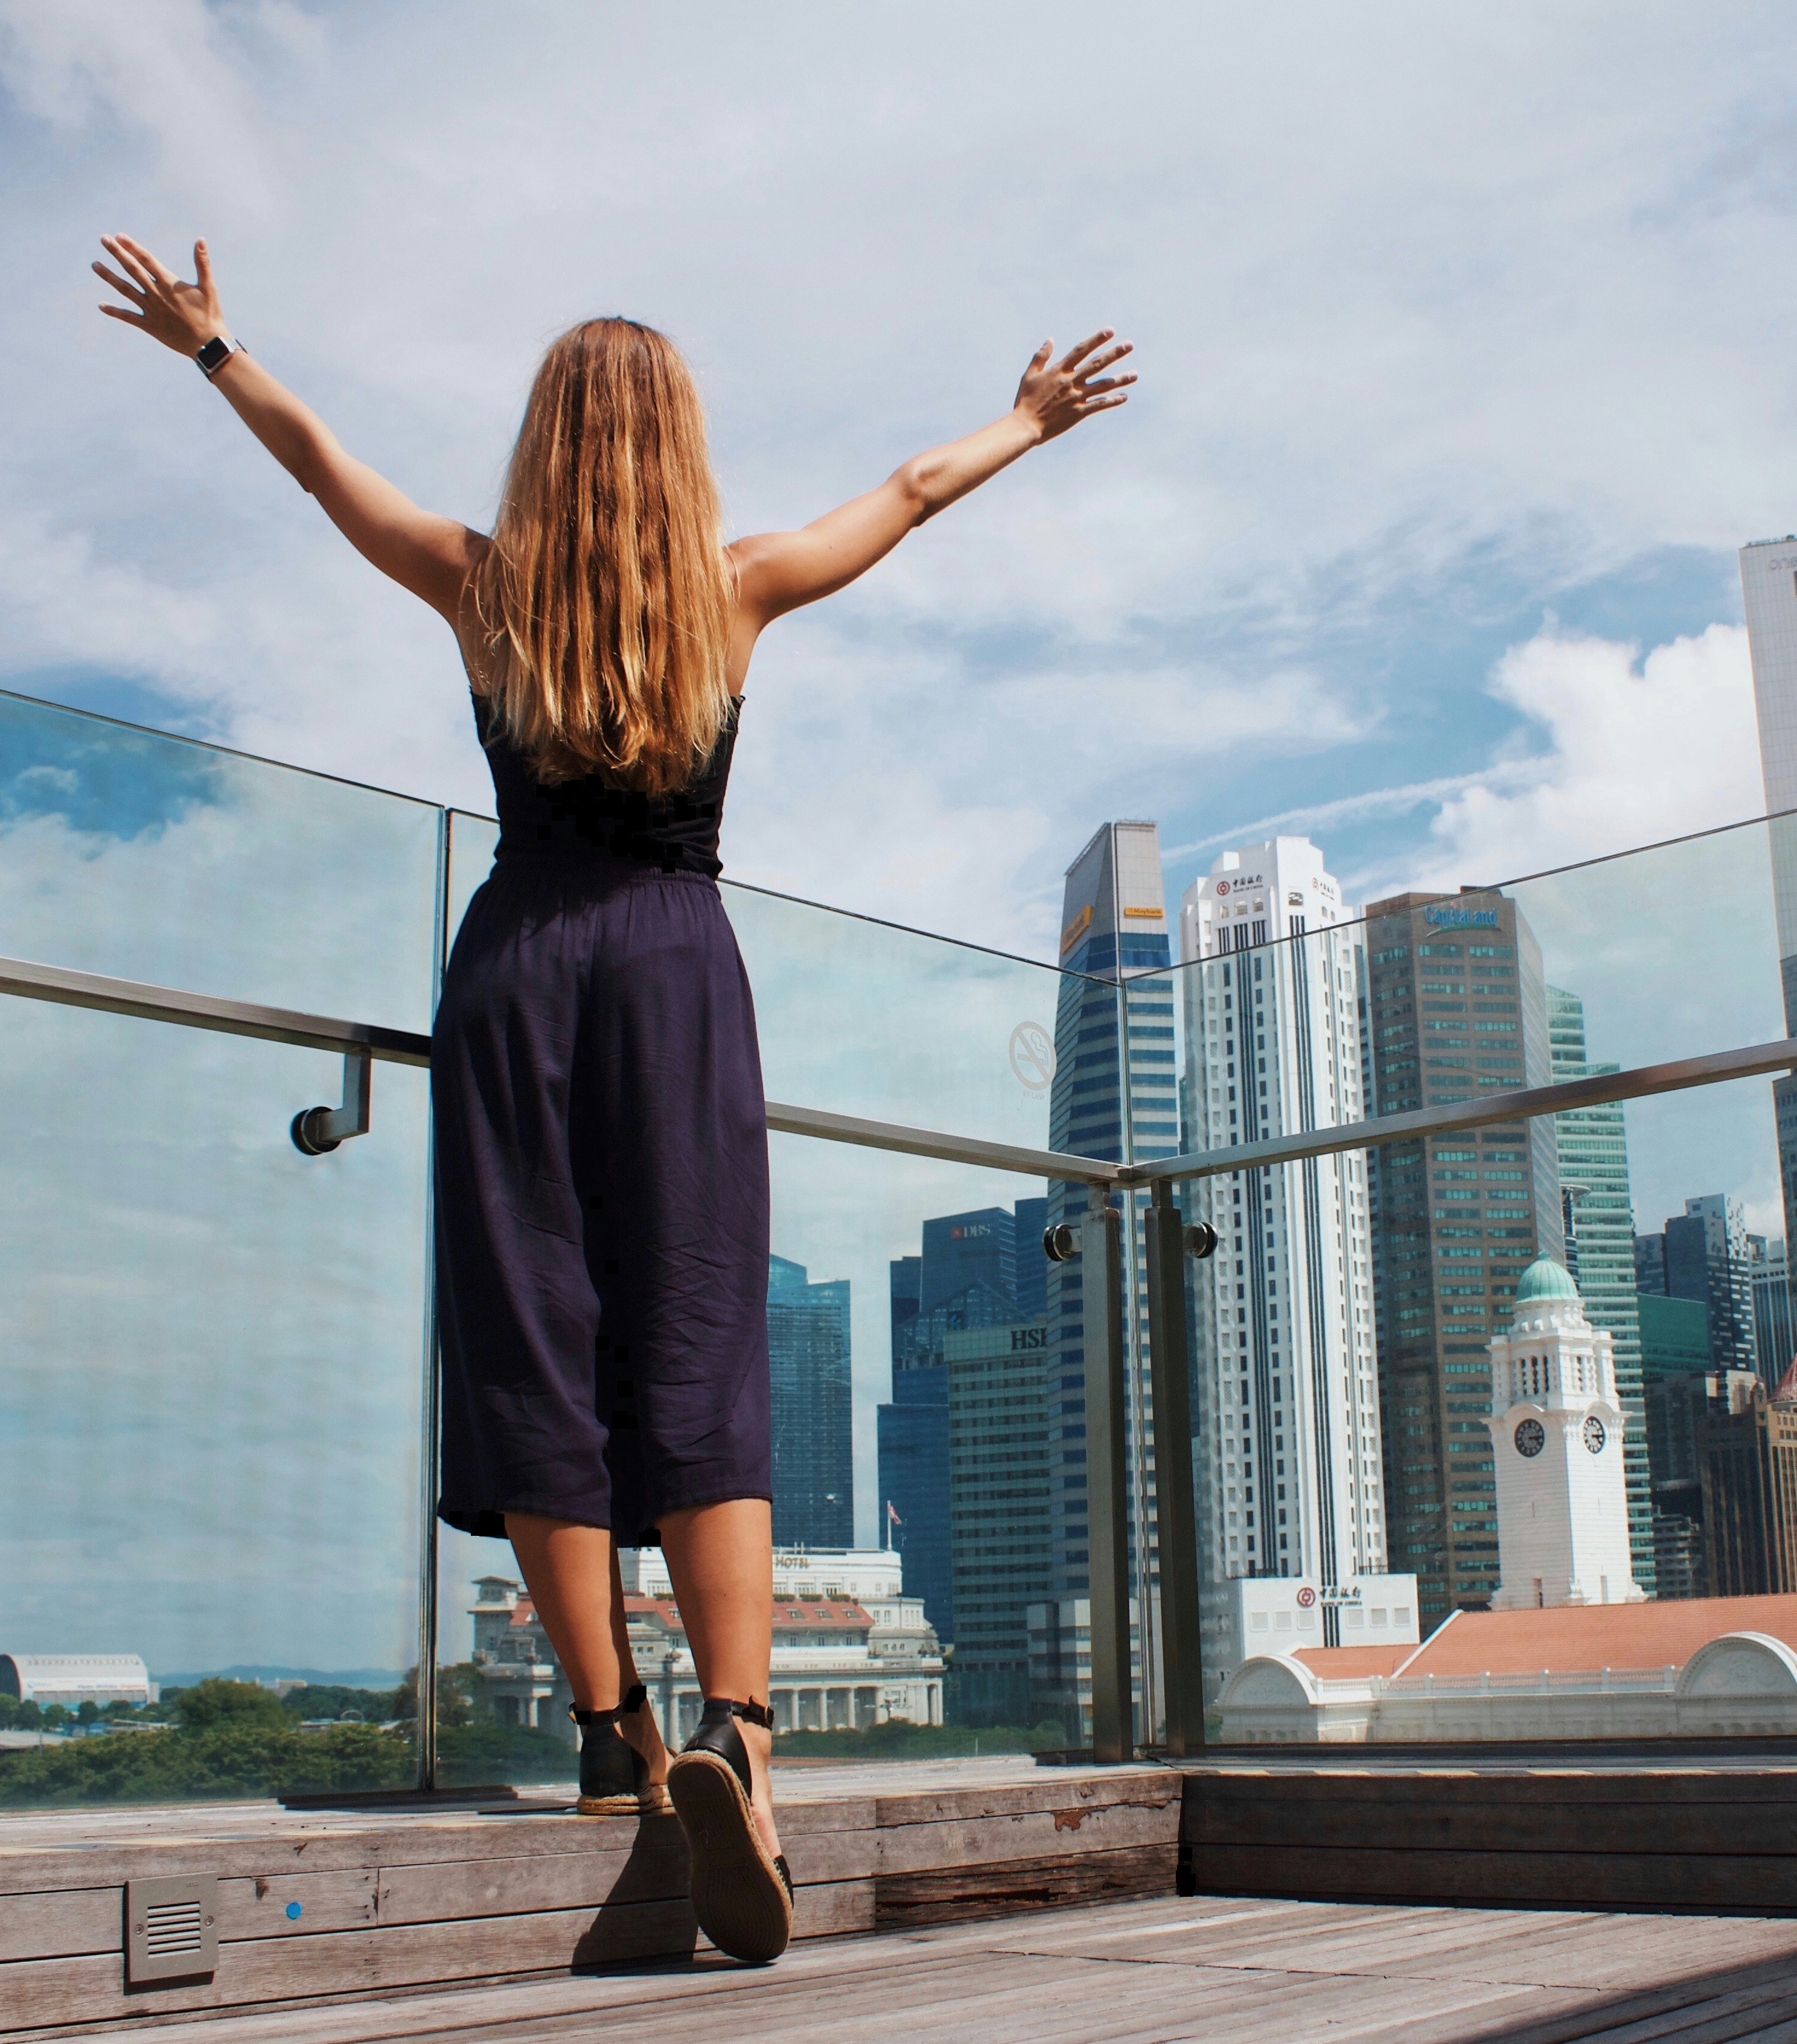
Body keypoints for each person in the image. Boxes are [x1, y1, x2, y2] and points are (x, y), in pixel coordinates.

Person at [92, 234, 1131, 1965]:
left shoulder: (480, 587)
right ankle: (743, 1733)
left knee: (537, 1337)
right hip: (672, 973)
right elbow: (906, 494)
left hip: (513, 974)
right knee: (700, 1335)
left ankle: (605, 1731)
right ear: (679, 447)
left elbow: (319, 467)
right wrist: (1028, 418)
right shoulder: (736, 590)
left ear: (546, 444)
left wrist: (217, 350)